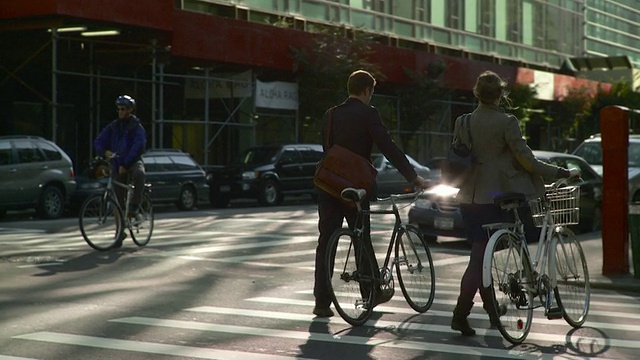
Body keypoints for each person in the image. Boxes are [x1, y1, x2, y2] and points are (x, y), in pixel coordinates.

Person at [450, 70, 579, 336]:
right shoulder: (506, 122)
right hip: (496, 197)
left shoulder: (463, 122)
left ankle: (492, 311)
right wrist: (560, 172)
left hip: (468, 197)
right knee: (479, 259)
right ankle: (460, 313)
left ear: (477, 93)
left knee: (481, 254)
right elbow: (527, 161)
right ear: (500, 94)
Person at [312, 70, 431, 318]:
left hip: (329, 186)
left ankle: (322, 302)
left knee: (326, 242)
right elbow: (388, 147)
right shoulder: (369, 114)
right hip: (356, 188)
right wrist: (413, 176)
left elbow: (328, 149)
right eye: (371, 92)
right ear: (367, 90)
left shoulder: (330, 115)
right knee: (361, 240)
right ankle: (370, 292)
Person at [94, 95, 147, 248]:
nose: (120, 112)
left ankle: (135, 208)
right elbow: (99, 141)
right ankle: (119, 233)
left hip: (132, 162)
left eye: (123, 109)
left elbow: (139, 146)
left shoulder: (136, 127)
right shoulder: (113, 126)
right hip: (117, 164)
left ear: (130, 110)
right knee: (117, 199)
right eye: (118, 109)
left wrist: (126, 163)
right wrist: (104, 152)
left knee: (139, 174)